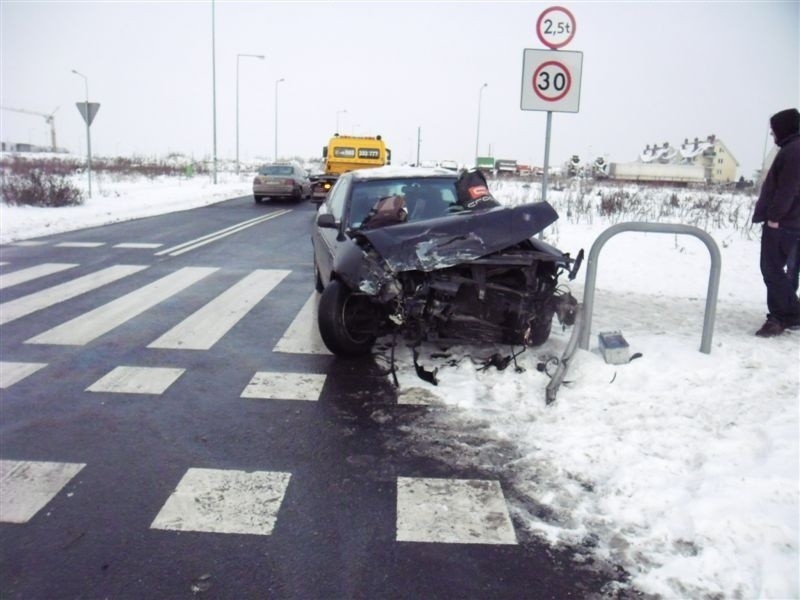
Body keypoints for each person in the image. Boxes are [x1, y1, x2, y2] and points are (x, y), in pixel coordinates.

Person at [752, 107, 800, 337]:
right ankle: (782, 316)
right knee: (782, 271)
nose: (773, 136)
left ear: (784, 129)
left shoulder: (793, 151)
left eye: (774, 132)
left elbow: (787, 189)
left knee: (771, 269)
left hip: (783, 224)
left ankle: (789, 313)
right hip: (791, 223)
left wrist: (774, 217)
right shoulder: (793, 149)